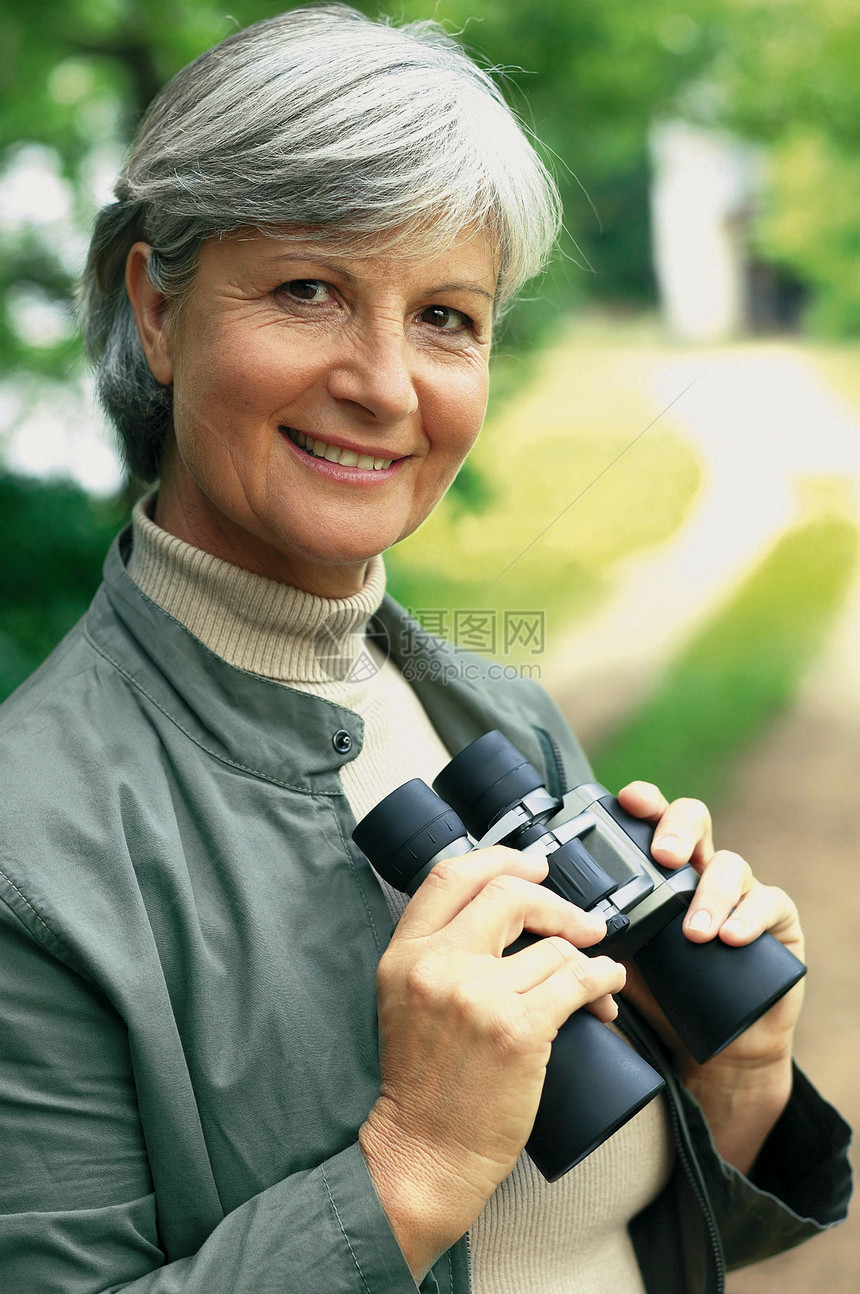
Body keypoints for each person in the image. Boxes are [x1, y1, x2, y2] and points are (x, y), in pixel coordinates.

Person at [0, 6, 850, 1292]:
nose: (387, 385)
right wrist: (408, 1164)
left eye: (446, 316)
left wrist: (731, 1081)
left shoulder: (492, 715)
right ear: (158, 310)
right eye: (308, 290)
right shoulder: (33, 854)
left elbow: (618, 1238)